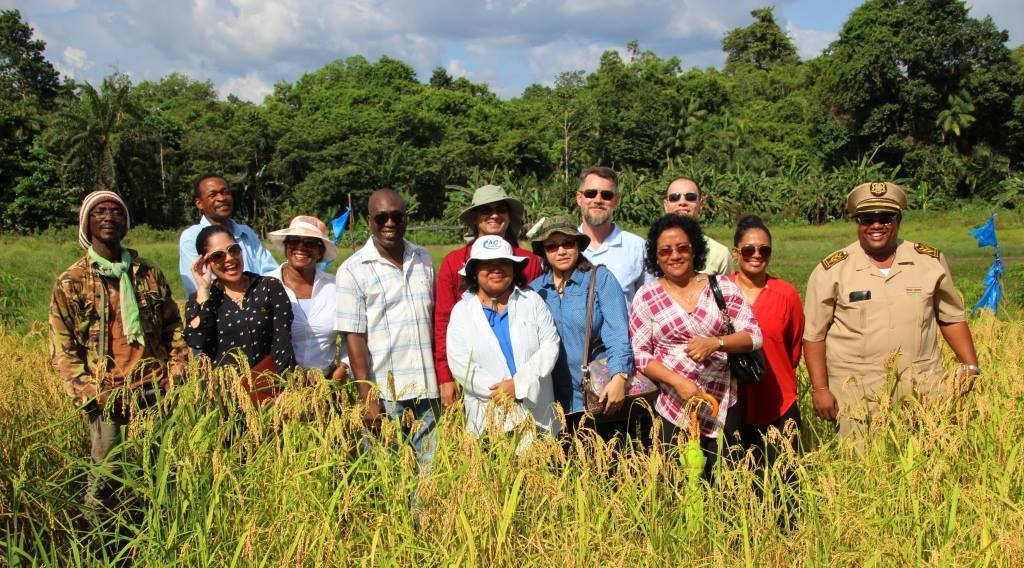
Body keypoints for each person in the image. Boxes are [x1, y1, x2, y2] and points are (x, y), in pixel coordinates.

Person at [803, 182, 980, 438]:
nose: (876, 225)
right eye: (867, 219)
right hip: (858, 391)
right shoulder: (832, 270)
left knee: (925, 465)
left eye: (886, 218)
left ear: (899, 219)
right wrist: (820, 390)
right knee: (862, 469)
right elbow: (814, 336)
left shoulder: (929, 262)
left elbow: (951, 318)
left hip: (922, 387)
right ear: (857, 222)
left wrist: (970, 366)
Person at [49, 190, 188, 510]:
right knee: (105, 476)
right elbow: (62, 347)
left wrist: (176, 368)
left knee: (161, 467)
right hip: (106, 390)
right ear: (86, 224)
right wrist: (89, 391)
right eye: (99, 212)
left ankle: (156, 531)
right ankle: (102, 546)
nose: (109, 217)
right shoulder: (72, 281)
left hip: (154, 386)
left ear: (126, 221)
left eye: (116, 212)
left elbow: (173, 327)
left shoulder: (148, 273)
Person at [630, 214, 762, 481]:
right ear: (656, 257)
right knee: (678, 484)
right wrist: (678, 382)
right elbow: (641, 355)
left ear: (695, 250)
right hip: (673, 405)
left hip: (722, 402)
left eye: (682, 248)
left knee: (726, 482)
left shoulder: (721, 287)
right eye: (665, 250)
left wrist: (716, 342)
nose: (674, 256)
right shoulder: (647, 296)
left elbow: (754, 336)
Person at [335, 188, 441, 464]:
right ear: (369, 221)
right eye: (381, 218)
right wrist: (367, 396)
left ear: (406, 219)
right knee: (390, 475)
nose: (390, 223)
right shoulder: (352, 269)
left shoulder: (423, 259)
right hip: (385, 393)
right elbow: (353, 337)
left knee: (430, 476)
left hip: (428, 391)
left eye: (397, 216)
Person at [435, 185, 543, 408]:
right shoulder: (454, 262)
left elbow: (539, 318)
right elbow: (443, 321)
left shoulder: (529, 261)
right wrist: (445, 376)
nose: (494, 215)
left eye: (500, 209)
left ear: (508, 215)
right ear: (474, 217)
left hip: (524, 374)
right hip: (472, 372)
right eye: (486, 210)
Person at [447, 235, 561, 446]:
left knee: (542, 473)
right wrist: (500, 391)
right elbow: (461, 365)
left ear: (513, 269)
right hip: (489, 416)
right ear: (473, 272)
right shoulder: (461, 312)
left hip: (537, 412)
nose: (496, 269)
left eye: (503, 263)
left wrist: (519, 385)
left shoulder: (532, 301)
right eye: (487, 264)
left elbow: (550, 346)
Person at [529, 216, 633, 440]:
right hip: (551, 399)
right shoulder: (535, 291)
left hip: (596, 394)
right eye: (552, 246)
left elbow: (617, 332)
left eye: (568, 243)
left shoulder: (600, 279)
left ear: (578, 246)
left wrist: (619, 377)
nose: (561, 251)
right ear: (544, 252)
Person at [725, 215, 804, 469]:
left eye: (764, 249)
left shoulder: (787, 294)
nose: (756, 255)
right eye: (748, 249)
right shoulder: (719, 291)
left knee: (782, 481)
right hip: (731, 403)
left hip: (776, 400)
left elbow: (793, 349)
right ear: (735, 253)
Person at [184, 225, 296, 377]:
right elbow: (197, 341)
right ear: (205, 262)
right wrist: (204, 291)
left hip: (270, 389)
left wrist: (281, 388)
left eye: (233, 250)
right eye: (218, 256)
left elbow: (283, 343)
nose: (229, 258)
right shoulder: (199, 299)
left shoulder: (269, 287)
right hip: (224, 393)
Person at [266, 215, 347, 381]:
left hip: (326, 384)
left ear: (320, 252)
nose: (300, 247)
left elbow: (352, 334)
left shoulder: (335, 287)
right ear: (286, 246)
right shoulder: (266, 286)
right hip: (278, 387)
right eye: (294, 240)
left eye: (309, 242)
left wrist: (342, 369)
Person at [179, 174, 278, 297]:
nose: (221, 198)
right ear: (199, 203)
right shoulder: (192, 237)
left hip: (261, 305)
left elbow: (270, 271)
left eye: (225, 192)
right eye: (212, 195)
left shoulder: (246, 232)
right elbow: (199, 285)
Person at [575, 166, 648, 305]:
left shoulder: (637, 247)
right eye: (591, 193)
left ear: (616, 200)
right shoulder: (563, 247)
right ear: (579, 198)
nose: (598, 200)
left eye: (606, 195)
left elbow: (649, 302)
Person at [663, 176, 734, 275]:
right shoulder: (649, 251)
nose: (682, 202)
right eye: (674, 197)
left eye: (690, 197)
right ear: (666, 205)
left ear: (700, 204)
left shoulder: (719, 254)